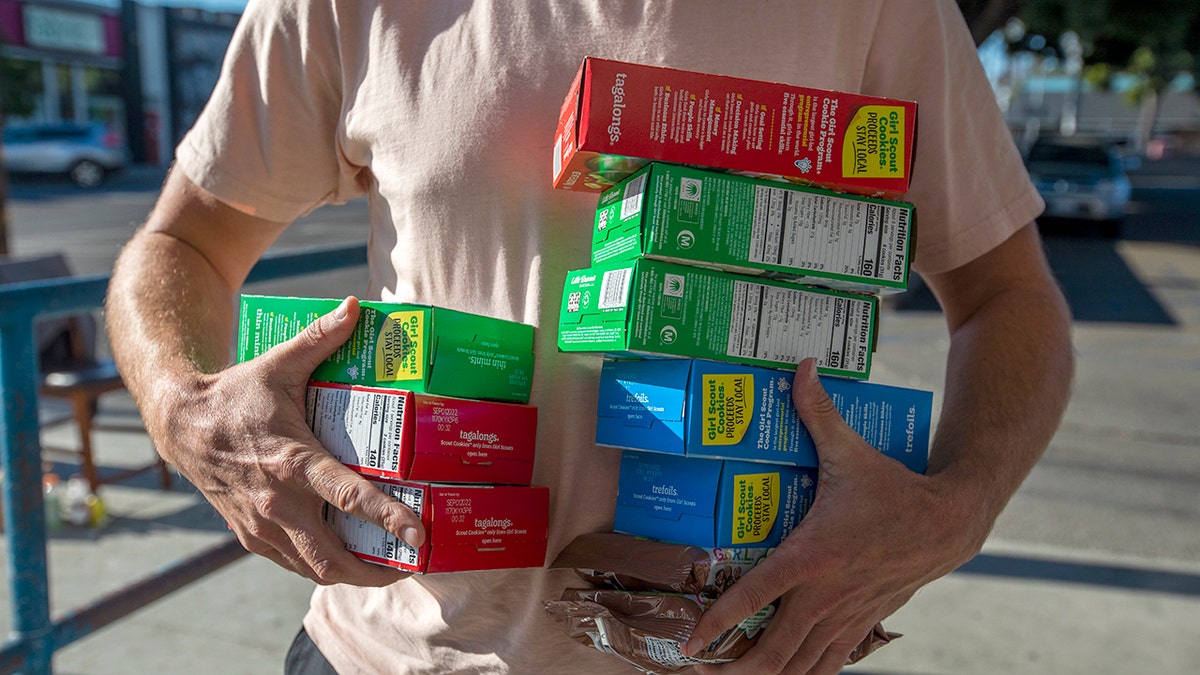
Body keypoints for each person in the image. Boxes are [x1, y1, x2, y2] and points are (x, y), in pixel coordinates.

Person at [104, 1, 1074, 673]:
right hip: (389, 655)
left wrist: (958, 507)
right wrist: (183, 409)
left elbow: (1009, 299)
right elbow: (180, 245)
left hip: (746, 654)